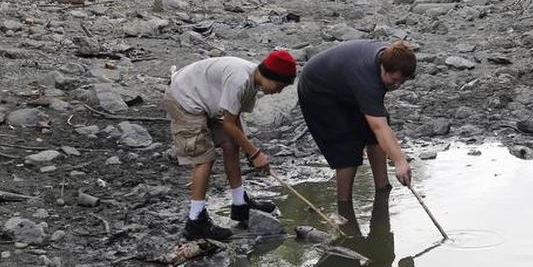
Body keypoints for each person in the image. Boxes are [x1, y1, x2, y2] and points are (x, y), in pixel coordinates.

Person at [165, 50, 297, 240]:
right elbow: (229, 123)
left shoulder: (252, 82)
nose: (279, 91)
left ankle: (239, 204)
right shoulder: (240, 80)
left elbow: (233, 123)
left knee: (230, 144)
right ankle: (195, 221)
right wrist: (254, 153)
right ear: (269, 75)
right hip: (183, 98)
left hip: (207, 100)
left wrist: (251, 153)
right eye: (279, 85)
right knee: (204, 158)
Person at [297, 40, 416, 202]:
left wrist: (398, 159)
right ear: (383, 67)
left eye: (402, 82)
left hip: (345, 86)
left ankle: (382, 188)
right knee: (347, 147)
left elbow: (378, 126)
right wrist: (400, 162)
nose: (397, 86)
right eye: (394, 80)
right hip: (318, 90)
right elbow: (379, 127)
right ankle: (344, 205)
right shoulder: (367, 78)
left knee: (375, 128)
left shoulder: (394, 58)